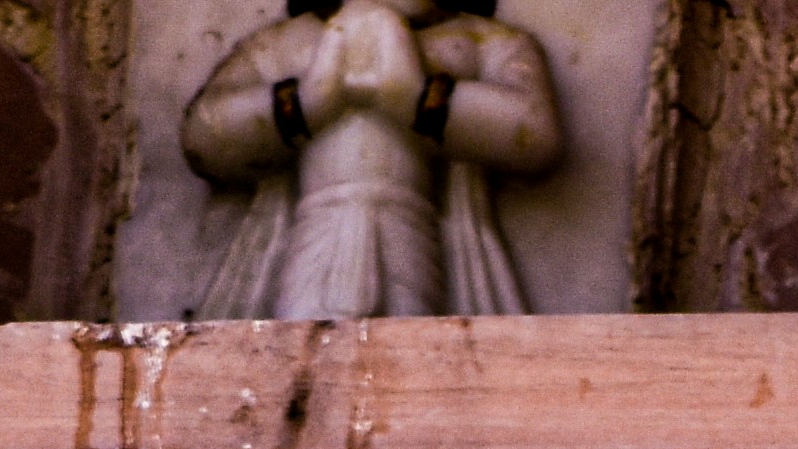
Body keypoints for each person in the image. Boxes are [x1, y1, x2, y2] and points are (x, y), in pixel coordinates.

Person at [182, 2, 565, 322]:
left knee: (413, 352)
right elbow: (205, 136)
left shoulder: (483, 44)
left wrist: (417, 96)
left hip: (414, 231)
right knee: (303, 349)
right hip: (317, 229)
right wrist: (308, 100)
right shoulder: (283, 46)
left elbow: (535, 135)